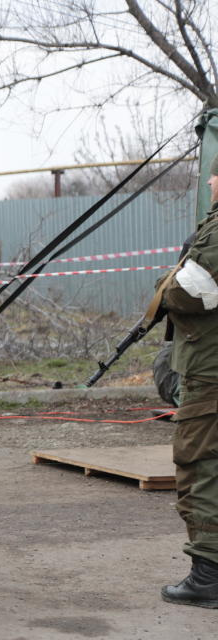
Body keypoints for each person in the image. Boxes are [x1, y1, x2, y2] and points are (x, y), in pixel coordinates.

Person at [158, 153, 218, 607]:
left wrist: (167, 279)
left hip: (211, 372)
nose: (211, 182)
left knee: (200, 466)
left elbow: (187, 291)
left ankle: (208, 575)